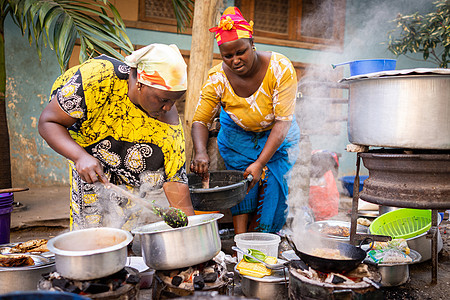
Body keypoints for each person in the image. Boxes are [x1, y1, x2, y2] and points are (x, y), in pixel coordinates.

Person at [38, 44, 195, 230]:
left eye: (174, 101)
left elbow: (176, 183)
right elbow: (48, 122)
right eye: (163, 100)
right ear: (140, 82)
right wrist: (79, 156)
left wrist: (194, 233)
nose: (168, 108)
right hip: (88, 149)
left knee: (125, 229)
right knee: (91, 229)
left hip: (129, 169)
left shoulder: (170, 127)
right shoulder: (99, 77)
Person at [190, 7, 300, 234]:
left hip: (276, 134)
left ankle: (264, 237)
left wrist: (260, 163)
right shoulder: (217, 78)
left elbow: (282, 123)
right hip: (237, 136)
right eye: (227, 56)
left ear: (252, 43)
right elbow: (200, 121)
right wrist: (200, 151)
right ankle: (241, 241)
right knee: (241, 185)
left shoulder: (280, 69)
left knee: (273, 187)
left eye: (241, 52)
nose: (235, 60)